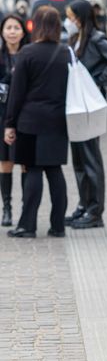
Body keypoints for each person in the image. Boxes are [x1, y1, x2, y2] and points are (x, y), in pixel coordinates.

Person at [5, 6, 69, 238]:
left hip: (30, 121)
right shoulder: (66, 52)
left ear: (36, 25)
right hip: (58, 121)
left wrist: (9, 123)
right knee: (55, 172)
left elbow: (17, 92)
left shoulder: (28, 53)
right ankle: (58, 225)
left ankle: (27, 225)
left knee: (32, 170)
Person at [64, 0, 107, 229]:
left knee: (91, 157)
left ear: (81, 17)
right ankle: (84, 204)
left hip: (90, 104)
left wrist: (96, 79)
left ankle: (95, 211)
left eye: (71, 16)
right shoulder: (74, 39)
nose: (68, 21)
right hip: (76, 104)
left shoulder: (96, 38)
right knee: (79, 157)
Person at [0, 14, 30, 227]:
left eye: (16, 27)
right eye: (8, 27)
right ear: (2, 32)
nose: (12, 31)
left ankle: (24, 209)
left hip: (24, 115)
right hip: (2, 115)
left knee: (25, 164)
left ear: (23, 31)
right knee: (5, 163)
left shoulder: (28, 55)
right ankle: (7, 209)